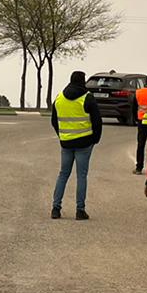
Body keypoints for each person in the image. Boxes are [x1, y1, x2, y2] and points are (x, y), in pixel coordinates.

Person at [50, 69, 103, 219]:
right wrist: (95, 139)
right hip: (85, 143)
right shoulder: (87, 97)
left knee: (63, 174)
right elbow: (97, 121)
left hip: (66, 142)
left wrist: (62, 136)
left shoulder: (59, 98)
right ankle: (80, 210)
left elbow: (54, 121)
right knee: (81, 176)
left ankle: (55, 208)